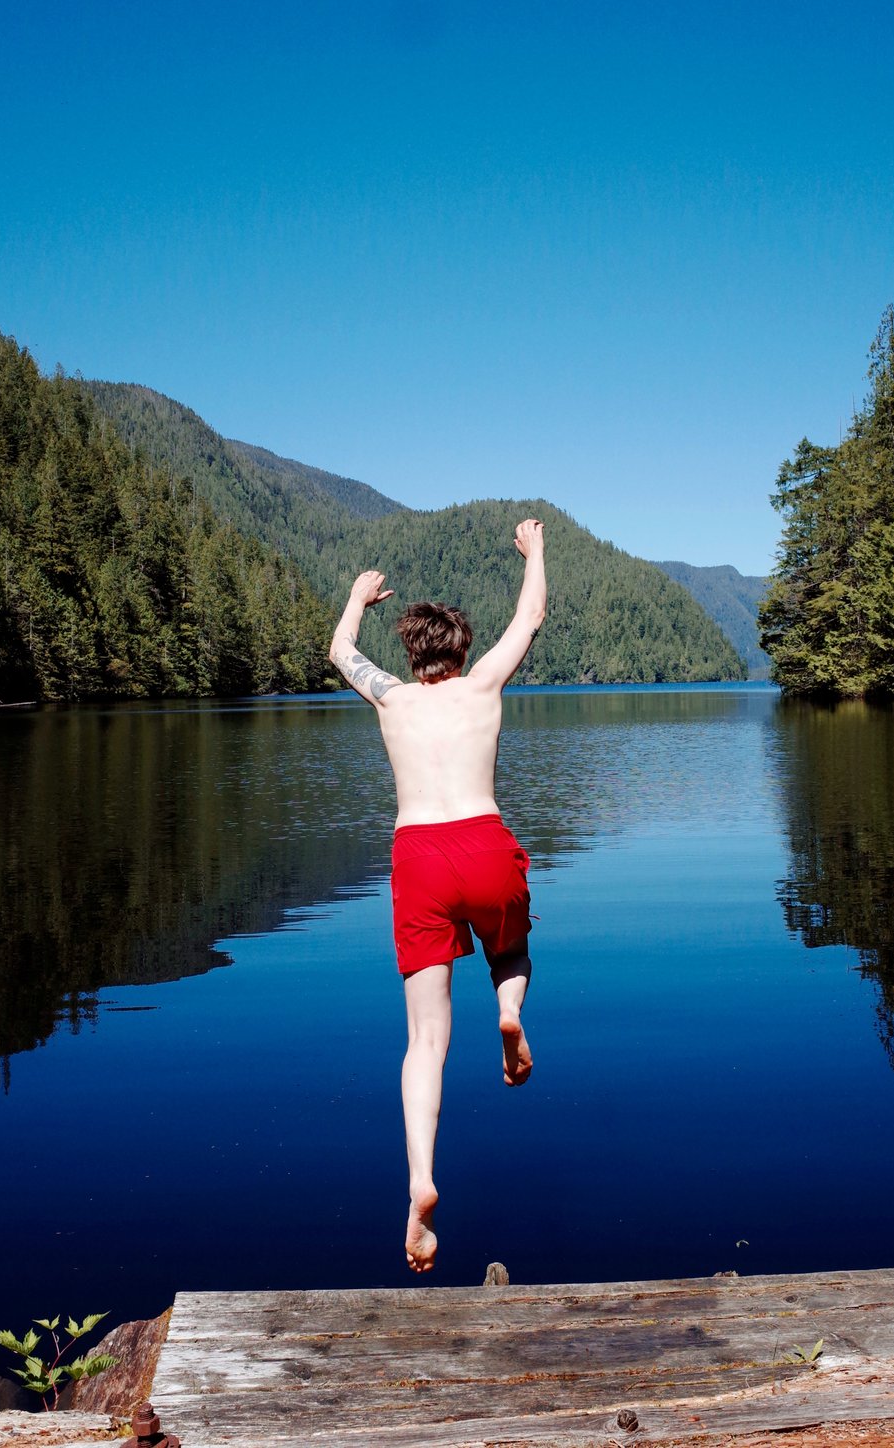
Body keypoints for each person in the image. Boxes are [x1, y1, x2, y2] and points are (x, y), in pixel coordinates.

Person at [330, 518, 546, 1273]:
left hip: (417, 857)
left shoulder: (391, 699)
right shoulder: (483, 685)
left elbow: (340, 653)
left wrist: (358, 597)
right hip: (484, 843)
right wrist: (534, 552)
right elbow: (531, 616)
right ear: (459, 649)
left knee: (424, 1040)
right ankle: (511, 1012)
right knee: (512, 949)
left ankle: (421, 1180)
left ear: (412, 651)